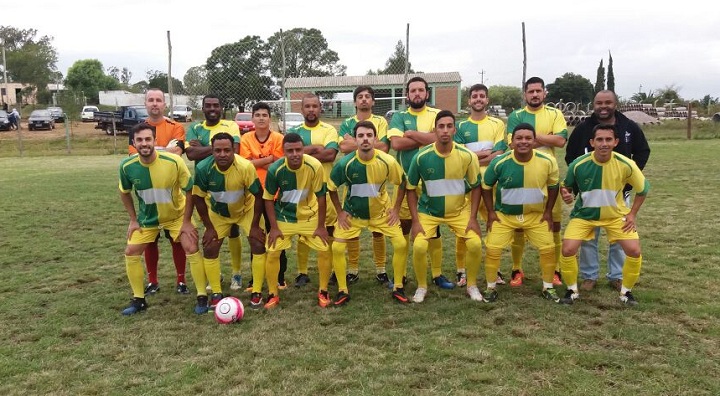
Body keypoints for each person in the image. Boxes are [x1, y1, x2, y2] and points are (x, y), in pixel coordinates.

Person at [565, 90, 651, 291]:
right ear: (593, 104)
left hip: (619, 194)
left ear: (615, 104)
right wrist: (581, 182)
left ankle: (616, 275)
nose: (603, 106)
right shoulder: (582, 128)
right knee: (588, 238)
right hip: (589, 193)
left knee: (619, 238)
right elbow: (571, 157)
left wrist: (628, 179)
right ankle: (589, 276)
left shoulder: (629, 127)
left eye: (608, 103)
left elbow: (643, 151)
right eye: (599, 103)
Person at [118, 122, 203, 315]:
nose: (144, 143)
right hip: (148, 220)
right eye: (139, 140)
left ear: (155, 141)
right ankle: (139, 300)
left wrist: (187, 221)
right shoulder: (127, 166)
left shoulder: (174, 162)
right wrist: (133, 219)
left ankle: (201, 297)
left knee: (191, 247)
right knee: (131, 251)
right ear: (133, 143)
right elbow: (124, 192)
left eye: (148, 139)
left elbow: (191, 190)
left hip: (176, 216)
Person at [406, 110, 484, 303]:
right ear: (435, 130)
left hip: (459, 211)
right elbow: (409, 188)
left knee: (475, 244)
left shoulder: (467, 156)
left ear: (454, 129)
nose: (445, 130)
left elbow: (476, 187)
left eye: (449, 126)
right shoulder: (421, 157)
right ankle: (422, 286)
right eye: (441, 126)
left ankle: (471, 285)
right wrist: (415, 220)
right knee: (419, 246)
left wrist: (473, 217)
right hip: (429, 212)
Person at [328, 121, 409, 304]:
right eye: (361, 136)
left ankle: (398, 287)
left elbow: (403, 183)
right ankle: (342, 290)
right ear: (355, 140)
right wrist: (340, 213)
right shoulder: (345, 163)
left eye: (369, 135)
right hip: (353, 216)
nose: (365, 139)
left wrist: (395, 209)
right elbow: (331, 188)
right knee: (337, 247)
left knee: (401, 244)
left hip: (381, 215)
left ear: (375, 139)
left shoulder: (387, 161)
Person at [481, 123, 561, 303]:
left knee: (548, 248)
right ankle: (490, 287)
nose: (523, 142)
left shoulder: (547, 161)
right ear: (512, 140)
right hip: (504, 216)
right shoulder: (499, 162)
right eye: (519, 138)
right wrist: (491, 212)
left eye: (528, 138)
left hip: (535, 215)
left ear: (534, 141)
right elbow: (486, 187)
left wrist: (548, 211)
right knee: (493, 249)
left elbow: (554, 186)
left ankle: (548, 287)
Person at [387, 77, 454, 290]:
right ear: (407, 94)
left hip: (433, 181)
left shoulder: (437, 115)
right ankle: (403, 274)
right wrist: (430, 137)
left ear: (427, 93)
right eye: (413, 90)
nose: (417, 94)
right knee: (405, 227)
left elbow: (446, 139)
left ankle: (437, 274)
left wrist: (413, 135)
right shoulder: (399, 116)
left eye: (421, 90)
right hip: (407, 181)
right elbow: (396, 143)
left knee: (433, 230)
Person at [193, 132, 266, 311]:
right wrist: (209, 227)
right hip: (219, 213)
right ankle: (216, 293)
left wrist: (255, 226)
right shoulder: (203, 168)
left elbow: (259, 195)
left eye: (227, 150)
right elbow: (198, 198)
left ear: (234, 149)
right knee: (209, 246)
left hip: (245, 210)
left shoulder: (245, 166)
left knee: (258, 243)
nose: (222, 154)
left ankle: (256, 291)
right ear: (212, 151)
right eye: (218, 150)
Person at [505, 77, 567, 287]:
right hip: (521, 174)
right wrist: (544, 138)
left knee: (554, 224)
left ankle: (555, 270)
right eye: (530, 91)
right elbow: (513, 145)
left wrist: (530, 138)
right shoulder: (516, 116)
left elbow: (560, 141)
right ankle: (516, 269)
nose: (534, 95)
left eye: (538, 91)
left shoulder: (554, 114)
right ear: (525, 94)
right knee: (518, 226)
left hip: (548, 175)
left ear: (544, 93)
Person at [128, 88, 189, 295]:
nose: (155, 103)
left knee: (177, 240)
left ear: (165, 104)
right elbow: (134, 156)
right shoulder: (138, 129)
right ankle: (153, 281)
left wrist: (156, 150)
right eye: (151, 100)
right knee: (150, 240)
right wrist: (165, 149)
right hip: (148, 196)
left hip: (171, 194)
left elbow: (178, 154)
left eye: (159, 100)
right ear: (145, 103)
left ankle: (181, 280)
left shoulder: (176, 127)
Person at [263, 133, 331, 308]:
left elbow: (322, 197)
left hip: (310, 216)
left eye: (298, 149)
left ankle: (323, 290)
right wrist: (274, 228)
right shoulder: (275, 169)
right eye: (290, 150)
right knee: (272, 251)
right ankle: (273, 294)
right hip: (284, 217)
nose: (295, 154)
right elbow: (268, 199)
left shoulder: (314, 165)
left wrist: (321, 226)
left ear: (303, 149)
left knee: (324, 248)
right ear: (283, 152)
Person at [185, 94, 245, 290]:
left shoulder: (231, 126)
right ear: (202, 108)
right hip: (207, 186)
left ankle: (236, 274)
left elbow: (235, 150)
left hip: (231, 185)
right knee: (210, 234)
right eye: (208, 105)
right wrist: (217, 148)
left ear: (221, 107)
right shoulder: (195, 127)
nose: (212, 108)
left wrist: (204, 148)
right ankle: (216, 274)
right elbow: (191, 153)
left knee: (233, 230)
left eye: (216, 105)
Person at [454, 83, 508, 287]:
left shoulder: (497, 124)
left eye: (482, 96)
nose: (478, 99)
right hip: (467, 182)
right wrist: (486, 154)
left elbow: (499, 154)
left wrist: (475, 156)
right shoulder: (460, 126)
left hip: (492, 182)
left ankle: (496, 269)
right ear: (469, 101)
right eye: (474, 96)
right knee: (465, 224)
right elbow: (460, 157)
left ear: (487, 100)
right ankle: (461, 271)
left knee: (493, 223)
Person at [338, 85, 390, 285]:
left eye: (368, 96)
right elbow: (343, 147)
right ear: (355, 102)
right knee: (352, 229)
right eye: (360, 97)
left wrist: (356, 142)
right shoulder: (347, 122)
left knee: (379, 229)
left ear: (373, 101)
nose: (364, 100)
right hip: (354, 177)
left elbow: (384, 146)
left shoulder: (381, 121)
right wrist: (369, 143)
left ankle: (381, 269)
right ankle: (352, 270)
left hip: (377, 176)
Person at [286, 94, 339, 288]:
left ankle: (333, 270)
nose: (311, 109)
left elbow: (329, 154)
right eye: (307, 106)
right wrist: (315, 148)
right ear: (301, 110)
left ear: (320, 108)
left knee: (330, 228)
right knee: (303, 230)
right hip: (303, 190)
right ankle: (302, 272)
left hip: (326, 187)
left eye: (314, 106)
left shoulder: (329, 130)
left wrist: (303, 151)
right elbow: (290, 156)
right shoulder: (294, 131)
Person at [239, 101, 288, 292]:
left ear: (270, 118)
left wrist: (257, 161)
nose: (261, 118)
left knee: (277, 235)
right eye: (257, 115)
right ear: (252, 118)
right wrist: (268, 160)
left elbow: (278, 165)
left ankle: (280, 278)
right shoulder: (245, 139)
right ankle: (255, 279)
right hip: (254, 196)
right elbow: (246, 165)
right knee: (257, 237)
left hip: (276, 194)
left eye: (264, 115)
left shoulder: (278, 138)